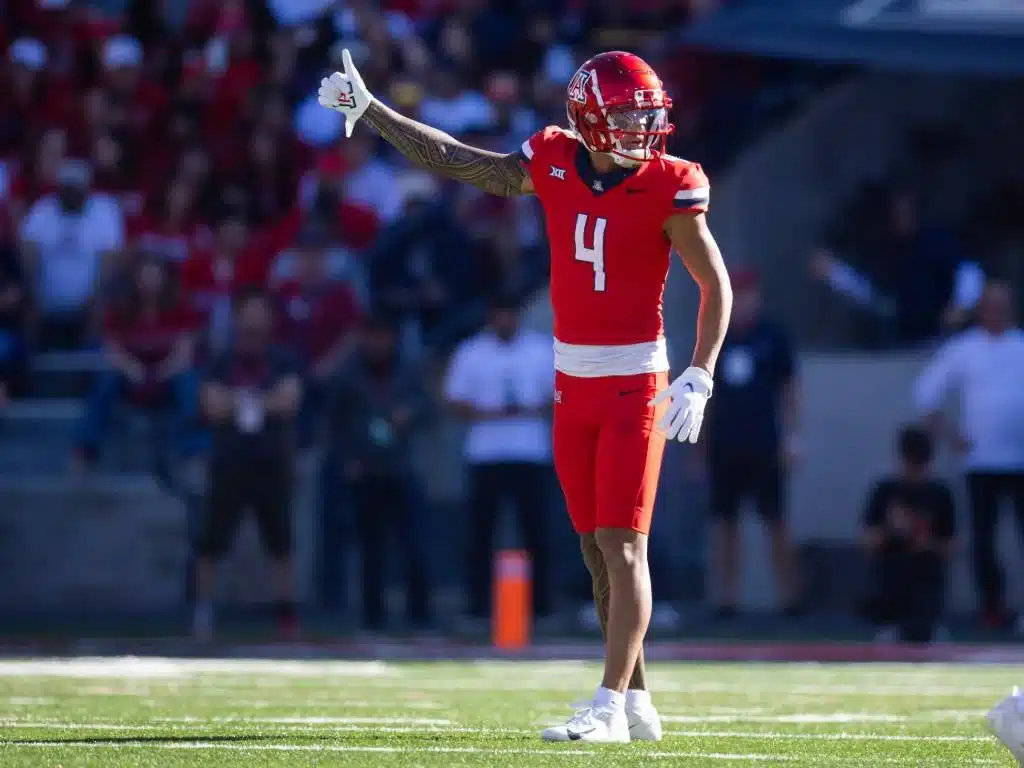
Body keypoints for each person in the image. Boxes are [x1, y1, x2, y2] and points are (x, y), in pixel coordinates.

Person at [319, 48, 732, 743]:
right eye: (627, 115)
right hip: (572, 382)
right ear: (590, 118)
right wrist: (373, 112)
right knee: (595, 550)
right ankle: (635, 701)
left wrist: (701, 372)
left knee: (625, 546)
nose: (642, 128)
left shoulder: (672, 183)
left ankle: (606, 701)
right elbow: (462, 161)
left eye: (645, 115)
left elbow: (714, 283)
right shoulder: (552, 159)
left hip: (636, 379)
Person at [913, 281, 1024, 631]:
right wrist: (951, 436)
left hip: (1020, 461)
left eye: (1003, 306)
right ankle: (992, 607)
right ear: (980, 311)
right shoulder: (964, 349)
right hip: (981, 464)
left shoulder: (1021, 346)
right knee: (983, 540)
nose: (997, 313)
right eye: (990, 306)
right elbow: (925, 394)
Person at [193, 288, 302, 642]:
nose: (254, 321)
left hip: (271, 460)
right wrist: (259, 401)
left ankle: (285, 613)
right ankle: (203, 611)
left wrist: (237, 401)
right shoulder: (221, 362)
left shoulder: (284, 360)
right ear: (238, 318)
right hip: (229, 461)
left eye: (261, 312)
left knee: (281, 542)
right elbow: (211, 407)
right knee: (211, 540)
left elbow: (288, 403)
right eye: (248, 312)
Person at [443, 293, 556, 630]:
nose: (505, 321)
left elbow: (559, 396)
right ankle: (477, 606)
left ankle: (542, 606)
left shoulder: (541, 349)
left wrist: (529, 409)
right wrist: (489, 413)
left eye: (510, 314)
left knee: (537, 529)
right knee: (480, 531)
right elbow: (454, 401)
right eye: (499, 315)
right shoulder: (471, 352)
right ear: (490, 317)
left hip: (530, 452)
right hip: (486, 452)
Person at [327, 313, 433, 632]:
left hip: (400, 469)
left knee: (415, 545)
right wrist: (347, 460)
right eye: (372, 336)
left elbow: (428, 408)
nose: (377, 344)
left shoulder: (407, 370)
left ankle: (420, 616)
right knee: (371, 550)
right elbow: (334, 423)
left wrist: (408, 415)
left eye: (383, 337)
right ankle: (373, 617)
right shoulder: (347, 374)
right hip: (364, 471)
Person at [704, 269, 801, 617]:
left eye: (748, 294)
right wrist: (700, 446)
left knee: (775, 520)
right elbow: (706, 394)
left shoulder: (774, 337)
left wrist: (792, 438)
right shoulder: (715, 334)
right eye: (737, 293)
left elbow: (789, 391)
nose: (743, 301)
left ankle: (790, 597)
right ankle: (726, 599)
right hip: (725, 445)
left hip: (765, 443)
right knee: (724, 524)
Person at [860, 426, 955, 643]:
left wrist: (926, 542)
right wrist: (892, 529)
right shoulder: (884, 491)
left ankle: (927, 627)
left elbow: (951, 547)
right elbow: (868, 542)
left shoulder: (940, 494)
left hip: (926, 579)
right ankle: (889, 624)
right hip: (890, 580)